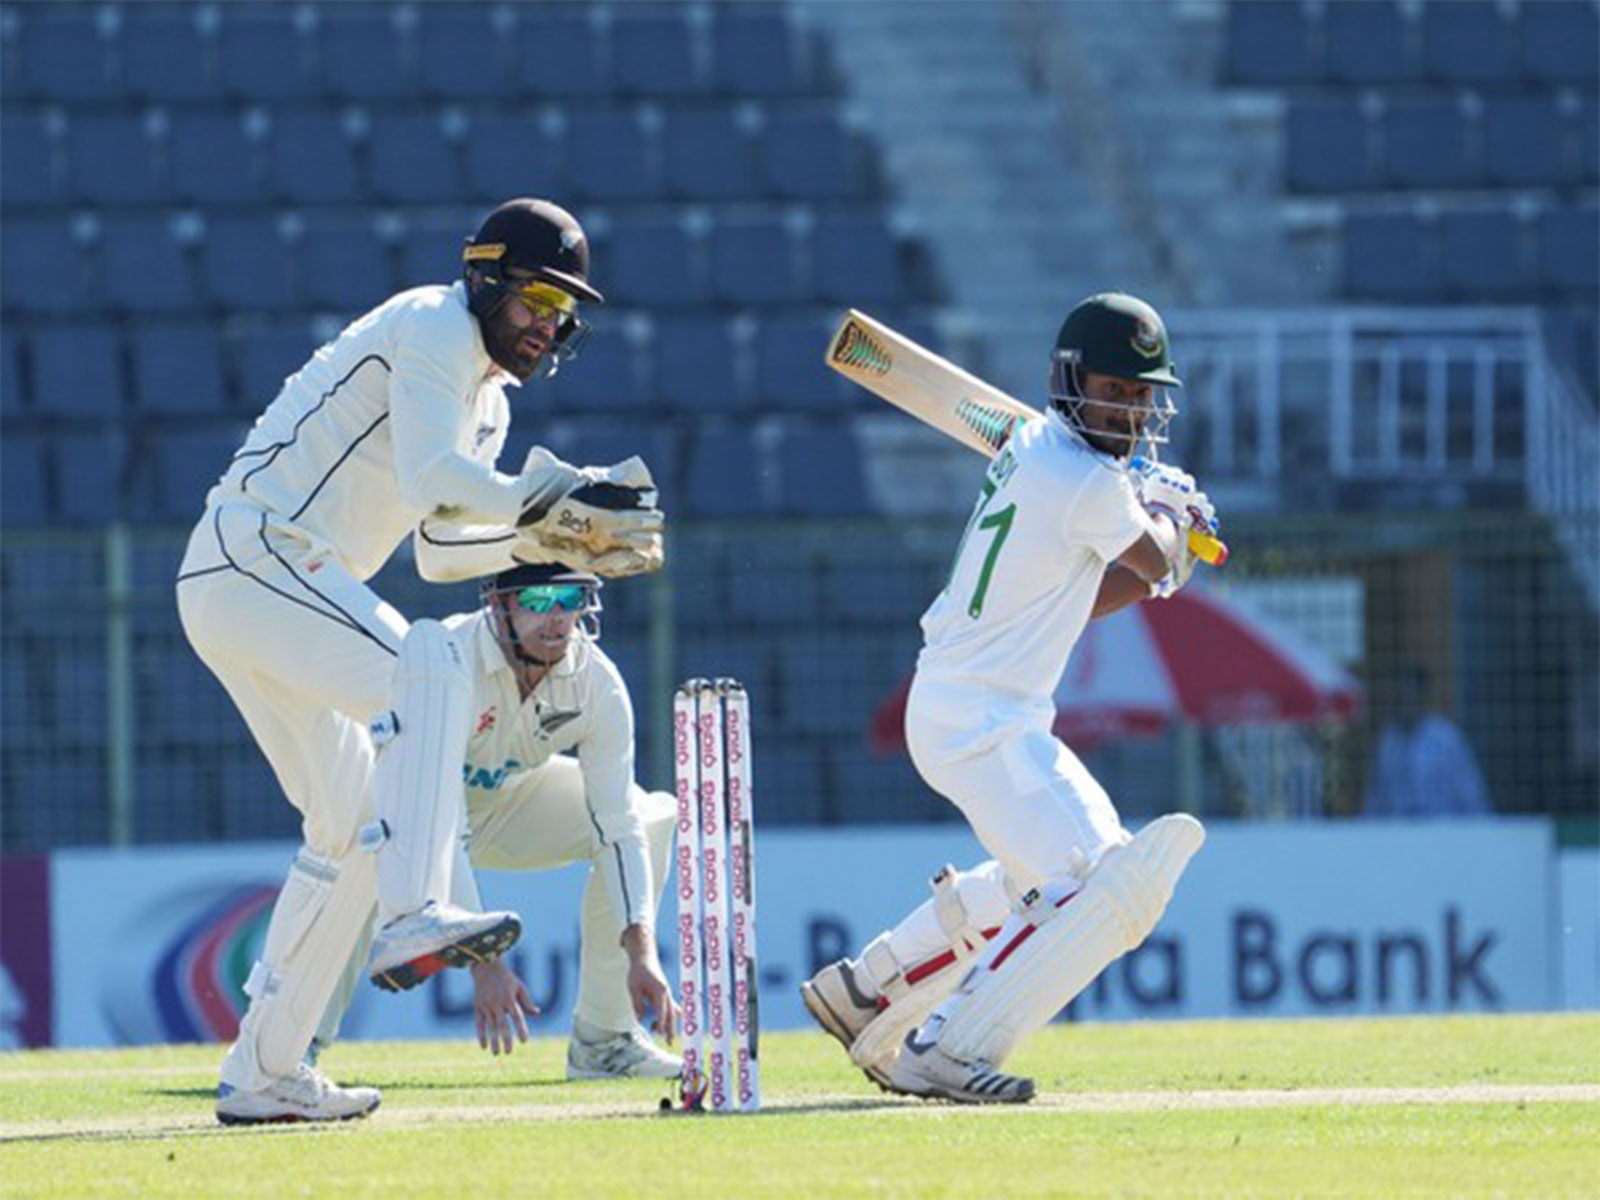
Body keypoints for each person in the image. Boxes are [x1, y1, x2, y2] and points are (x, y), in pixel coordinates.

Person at [176, 198, 666, 1125]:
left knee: (352, 821)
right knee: (428, 665)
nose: (547, 327)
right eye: (533, 302)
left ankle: (264, 1071)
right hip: (255, 553)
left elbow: (442, 548)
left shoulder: (486, 397)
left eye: (563, 313)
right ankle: (416, 912)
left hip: (273, 593)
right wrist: (554, 500)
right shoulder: (434, 326)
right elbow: (435, 480)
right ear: (484, 280)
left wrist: (568, 548)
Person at [801, 293, 1214, 1103]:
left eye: (1141, 395)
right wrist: (1176, 521)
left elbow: (1087, 594)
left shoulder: (1038, 450)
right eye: (1115, 389)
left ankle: (870, 988)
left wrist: (1160, 536)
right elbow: (1153, 559)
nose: (1130, 410)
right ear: (1070, 380)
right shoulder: (1088, 486)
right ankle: (945, 1046)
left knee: (1058, 878)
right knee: (1101, 885)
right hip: (981, 719)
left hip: (973, 709)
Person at [314, 563, 681, 1079]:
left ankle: (606, 1040)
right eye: (535, 599)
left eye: (571, 598)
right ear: (498, 604)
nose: (556, 619)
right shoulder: (450, 661)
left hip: (508, 801)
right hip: (405, 810)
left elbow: (615, 824)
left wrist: (640, 950)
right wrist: (486, 964)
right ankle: (293, 1049)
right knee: (363, 852)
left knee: (648, 816)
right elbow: (444, 822)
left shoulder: (597, 683)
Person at [1362, 662, 1491, 818]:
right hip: (1400, 834)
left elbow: (1470, 791)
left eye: (1409, 694)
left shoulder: (1446, 737)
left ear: (1422, 696)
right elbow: (1377, 796)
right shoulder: (1388, 741)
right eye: (1399, 696)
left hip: (1441, 832)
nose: (1404, 702)